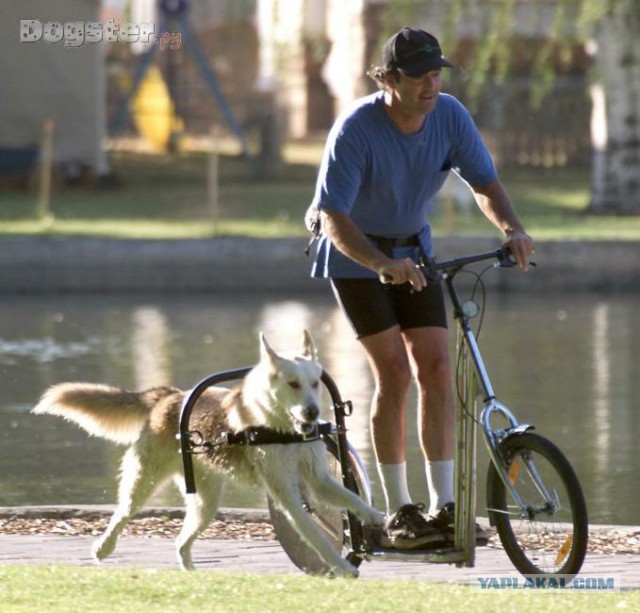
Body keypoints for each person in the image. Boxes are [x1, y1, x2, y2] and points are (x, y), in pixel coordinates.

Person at [306, 26, 535, 550]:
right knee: (394, 374)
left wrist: (513, 230)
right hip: (354, 255)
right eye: (419, 77)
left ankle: (444, 506)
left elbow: (484, 183)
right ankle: (400, 511)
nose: (431, 85)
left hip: (416, 253)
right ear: (387, 79)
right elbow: (333, 217)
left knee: (435, 368)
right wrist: (381, 263)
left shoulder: (450, 115)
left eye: (436, 74)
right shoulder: (356, 129)